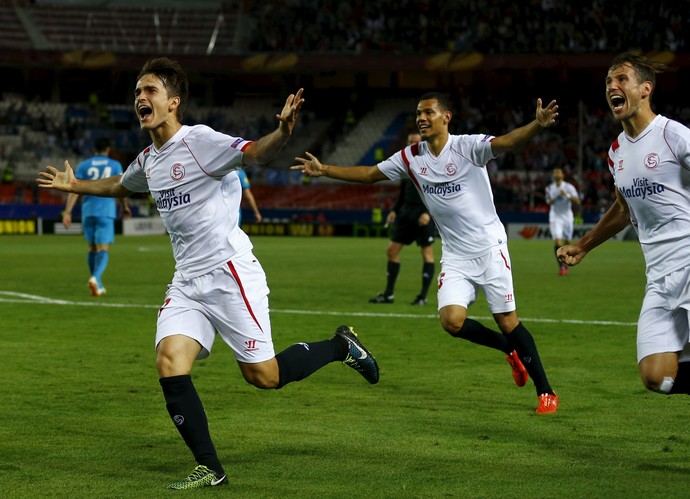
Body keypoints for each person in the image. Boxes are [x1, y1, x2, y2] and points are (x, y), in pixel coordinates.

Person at [37, 57, 379, 490]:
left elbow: (255, 153)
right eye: (138, 92)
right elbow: (123, 185)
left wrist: (284, 132)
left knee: (264, 376)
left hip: (229, 273)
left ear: (173, 102)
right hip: (187, 281)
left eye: (150, 91)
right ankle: (210, 468)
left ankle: (338, 346)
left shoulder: (200, 141)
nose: (141, 98)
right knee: (169, 360)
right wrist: (75, 187)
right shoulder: (148, 159)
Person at [293, 92, 560, 414]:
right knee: (451, 321)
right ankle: (510, 350)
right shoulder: (410, 157)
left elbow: (507, 142)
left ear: (446, 117)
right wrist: (325, 170)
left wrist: (538, 124)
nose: (421, 118)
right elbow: (369, 174)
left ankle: (545, 391)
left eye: (428, 112)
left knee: (507, 320)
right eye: (419, 113)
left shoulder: (467, 146)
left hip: (490, 248)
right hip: (456, 254)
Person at [558, 52, 690, 397]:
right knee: (656, 376)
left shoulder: (673, 135)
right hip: (659, 276)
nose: (612, 86)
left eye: (621, 79)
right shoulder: (616, 151)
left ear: (645, 89)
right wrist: (583, 245)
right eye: (608, 82)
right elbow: (622, 208)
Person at [369, 132, 436, 306]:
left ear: (421, 143)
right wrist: (394, 210)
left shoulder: (432, 162)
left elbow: (437, 192)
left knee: (427, 253)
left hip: (423, 215)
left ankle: (422, 297)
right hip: (406, 214)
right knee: (391, 251)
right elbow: (402, 193)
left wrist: (429, 213)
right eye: (410, 141)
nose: (412, 144)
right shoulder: (406, 163)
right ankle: (389, 295)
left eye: (416, 141)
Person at [62, 137, 131, 296]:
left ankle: (97, 283)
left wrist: (67, 212)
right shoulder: (114, 165)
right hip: (105, 211)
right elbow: (121, 187)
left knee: (92, 247)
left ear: (94, 150)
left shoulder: (84, 165)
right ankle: (96, 277)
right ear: (108, 149)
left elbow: (74, 189)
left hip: (88, 210)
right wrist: (125, 206)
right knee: (103, 248)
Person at [545, 166, 580, 275]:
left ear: (562, 175)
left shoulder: (569, 187)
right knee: (557, 241)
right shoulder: (550, 188)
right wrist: (555, 197)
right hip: (555, 216)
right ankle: (562, 267)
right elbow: (548, 202)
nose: (556, 174)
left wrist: (567, 195)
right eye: (554, 173)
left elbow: (577, 201)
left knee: (567, 242)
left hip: (567, 217)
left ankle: (566, 264)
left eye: (558, 173)